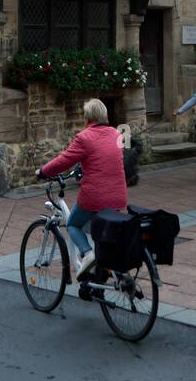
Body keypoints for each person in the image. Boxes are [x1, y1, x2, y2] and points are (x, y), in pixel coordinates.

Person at [35, 98, 127, 277]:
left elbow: (63, 161)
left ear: (87, 117)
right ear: (104, 115)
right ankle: (102, 270)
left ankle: (88, 253)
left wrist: (43, 171)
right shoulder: (117, 134)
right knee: (99, 229)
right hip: (118, 196)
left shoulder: (84, 137)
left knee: (73, 224)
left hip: (95, 197)